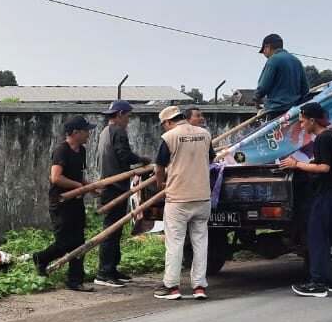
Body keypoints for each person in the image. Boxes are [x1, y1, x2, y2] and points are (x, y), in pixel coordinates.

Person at [279, 101, 332, 297]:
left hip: (326, 195)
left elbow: (324, 168)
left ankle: (318, 283)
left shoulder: (322, 139)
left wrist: (296, 164)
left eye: (303, 121)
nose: (302, 125)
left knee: (317, 238)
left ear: (313, 120)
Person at [153, 105, 214, 300]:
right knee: (200, 242)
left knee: (175, 243)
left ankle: (172, 287)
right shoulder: (204, 134)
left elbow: (159, 167)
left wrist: (161, 184)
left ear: (168, 121)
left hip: (178, 199)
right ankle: (199, 287)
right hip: (203, 197)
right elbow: (211, 160)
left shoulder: (169, 137)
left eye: (164, 125)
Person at [34, 115, 98, 292]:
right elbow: (56, 178)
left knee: (79, 241)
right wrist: (79, 187)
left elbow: (80, 176)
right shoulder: (62, 151)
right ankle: (40, 258)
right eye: (86, 131)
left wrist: (90, 187)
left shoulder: (82, 151)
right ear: (76, 132)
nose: (88, 134)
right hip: (61, 203)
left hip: (76, 202)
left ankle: (75, 280)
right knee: (64, 242)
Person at [95, 100, 150, 288]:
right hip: (115, 187)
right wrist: (141, 160)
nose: (128, 120)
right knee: (111, 229)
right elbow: (123, 154)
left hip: (111, 185)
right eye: (127, 116)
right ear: (119, 114)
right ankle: (104, 272)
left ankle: (111, 269)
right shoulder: (118, 131)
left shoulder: (105, 132)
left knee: (115, 229)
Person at [255, 34, 310, 120]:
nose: (264, 54)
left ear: (268, 46)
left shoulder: (273, 60)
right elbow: (306, 89)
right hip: (294, 113)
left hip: (276, 112)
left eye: (264, 50)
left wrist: (257, 99)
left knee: (275, 134)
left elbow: (263, 87)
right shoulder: (296, 61)